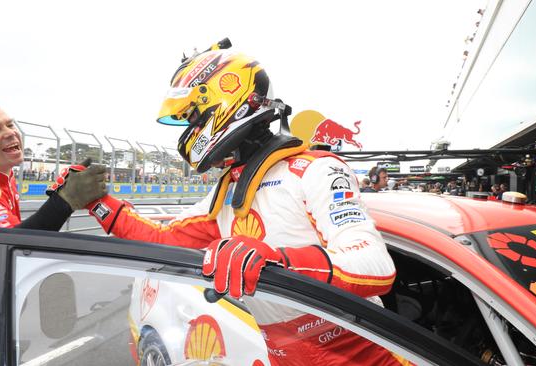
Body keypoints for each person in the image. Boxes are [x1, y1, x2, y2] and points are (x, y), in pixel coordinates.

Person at [85, 43, 400, 365]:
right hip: (285, 354)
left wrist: (277, 262)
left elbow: (376, 265)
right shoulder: (229, 191)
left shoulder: (316, 169)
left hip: (366, 351)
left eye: (192, 117)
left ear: (227, 100)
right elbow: (161, 239)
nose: (191, 130)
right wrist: (98, 202)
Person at [0, 100, 107, 364]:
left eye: (9, 123)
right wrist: (65, 199)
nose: (10, 132)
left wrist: (59, 193)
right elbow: (15, 244)